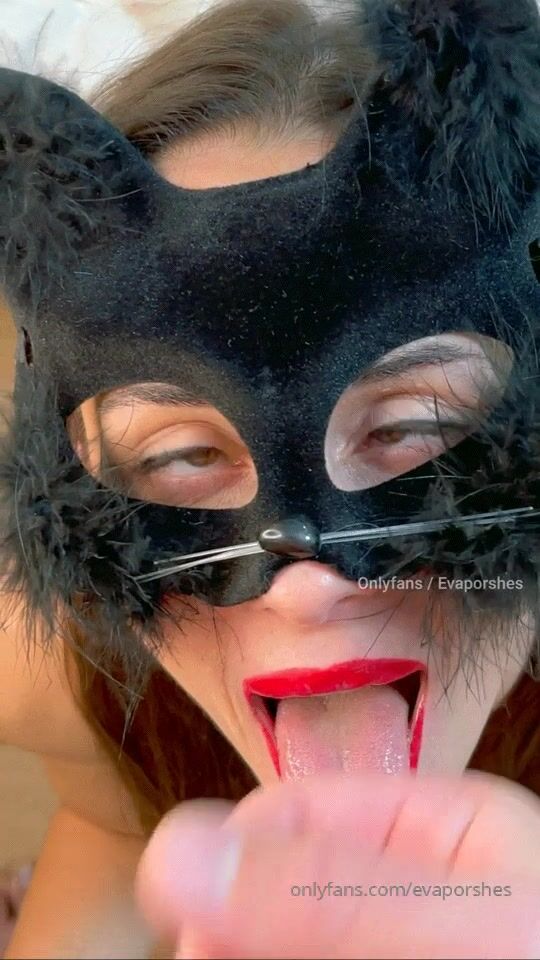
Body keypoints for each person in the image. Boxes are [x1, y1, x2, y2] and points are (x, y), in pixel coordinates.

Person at [0, 0, 539, 956]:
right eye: (180, 457)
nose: (305, 582)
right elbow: (114, 820)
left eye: (412, 429)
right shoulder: (59, 683)